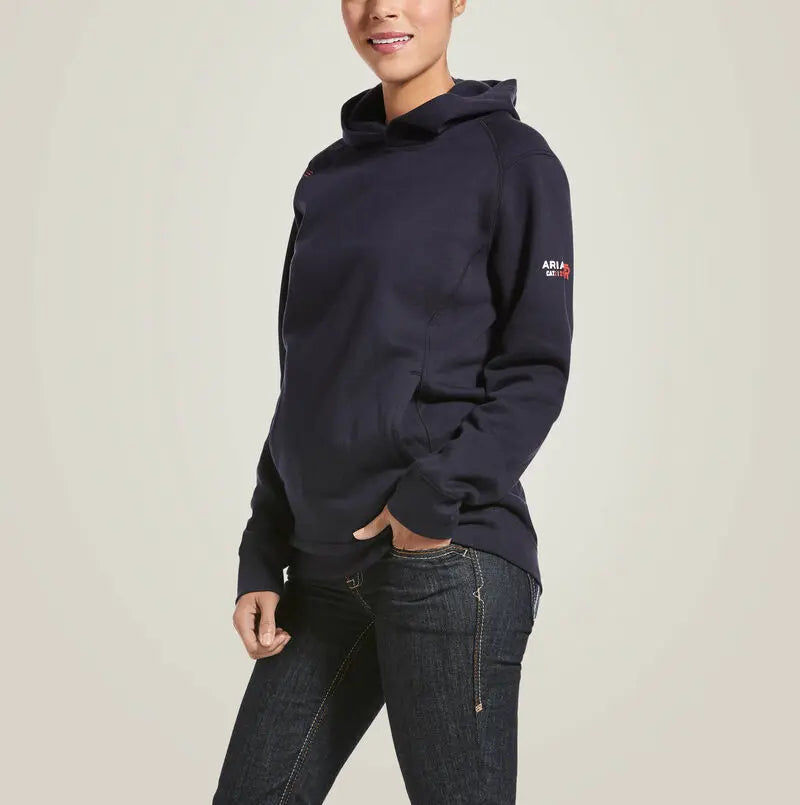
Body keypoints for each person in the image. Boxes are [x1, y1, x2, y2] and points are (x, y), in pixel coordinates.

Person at [213, 1, 574, 802]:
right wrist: (262, 545)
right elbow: (305, 378)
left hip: (443, 557)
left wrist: (430, 501)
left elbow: (536, 368)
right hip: (320, 574)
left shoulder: (513, 160)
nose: (383, 8)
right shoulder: (326, 177)